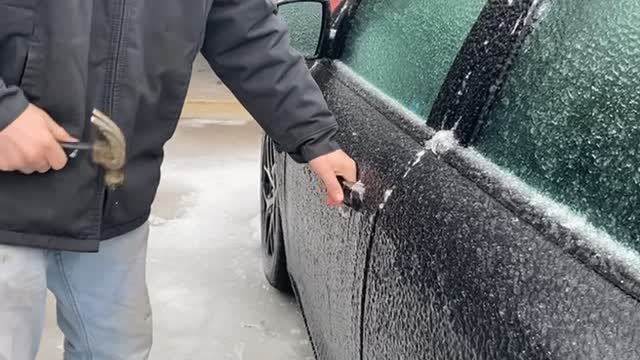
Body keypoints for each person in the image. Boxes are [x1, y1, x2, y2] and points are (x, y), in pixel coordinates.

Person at [0, 0, 356, 359]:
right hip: (7, 195)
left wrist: (310, 130)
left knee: (117, 351)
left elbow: (244, 30)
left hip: (113, 200)